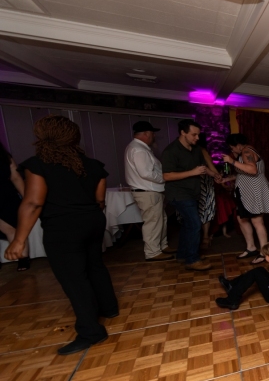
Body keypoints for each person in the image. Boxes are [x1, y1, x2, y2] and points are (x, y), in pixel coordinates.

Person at [4, 115, 118, 355]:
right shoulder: (93, 165)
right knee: (95, 266)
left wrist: (19, 239)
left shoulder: (39, 165)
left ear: (43, 137)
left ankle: (91, 331)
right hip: (93, 221)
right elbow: (99, 200)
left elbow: (34, 202)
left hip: (63, 227)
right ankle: (109, 308)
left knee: (74, 277)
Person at [161, 119, 211, 271]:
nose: (197, 138)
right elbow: (167, 176)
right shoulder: (171, 151)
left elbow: (202, 168)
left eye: (198, 135)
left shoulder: (195, 149)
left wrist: (215, 176)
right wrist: (192, 172)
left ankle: (183, 254)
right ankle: (192, 259)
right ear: (183, 133)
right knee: (195, 224)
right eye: (193, 135)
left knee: (188, 225)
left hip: (192, 192)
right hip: (179, 193)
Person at [223, 134, 269, 265]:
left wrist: (231, 161)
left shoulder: (246, 151)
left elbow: (252, 170)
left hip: (253, 192)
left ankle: (264, 252)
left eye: (232, 148)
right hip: (246, 193)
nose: (232, 151)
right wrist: (227, 179)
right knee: (241, 218)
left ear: (238, 145)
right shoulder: (244, 152)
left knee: (257, 221)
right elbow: (244, 172)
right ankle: (251, 248)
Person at [124, 120, 174, 262]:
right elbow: (146, 173)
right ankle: (152, 252)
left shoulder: (138, 148)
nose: (154, 136)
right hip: (148, 192)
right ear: (146, 133)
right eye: (152, 133)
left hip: (150, 191)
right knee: (153, 222)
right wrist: (165, 178)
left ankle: (161, 246)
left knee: (161, 220)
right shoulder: (138, 149)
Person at [215, 240, 269, 311]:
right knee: (259, 270)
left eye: (266, 256)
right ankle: (231, 284)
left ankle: (232, 301)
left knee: (255, 273)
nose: (264, 257)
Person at [0, 142, 29, 271]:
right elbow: (15, 177)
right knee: (10, 228)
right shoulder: (4, 155)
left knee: (13, 228)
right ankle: (23, 258)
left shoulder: (4, 156)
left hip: (7, 196)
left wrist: (27, 198)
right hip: (7, 196)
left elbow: (16, 177)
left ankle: (23, 258)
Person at [196, 133, 222, 249]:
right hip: (190, 184)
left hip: (204, 183)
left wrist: (219, 178)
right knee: (197, 211)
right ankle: (198, 237)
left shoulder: (202, 151)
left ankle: (205, 237)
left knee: (205, 210)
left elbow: (211, 166)